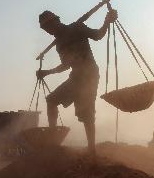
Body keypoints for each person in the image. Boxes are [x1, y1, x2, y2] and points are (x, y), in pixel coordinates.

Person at [36, 9, 118, 155]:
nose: (49, 31)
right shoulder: (59, 44)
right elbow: (65, 65)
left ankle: (91, 149)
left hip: (89, 75)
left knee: (87, 113)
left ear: (57, 21)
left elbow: (98, 35)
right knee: (51, 100)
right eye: (46, 29)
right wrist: (46, 73)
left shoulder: (77, 27)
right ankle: (53, 141)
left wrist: (107, 20)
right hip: (75, 77)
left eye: (49, 26)